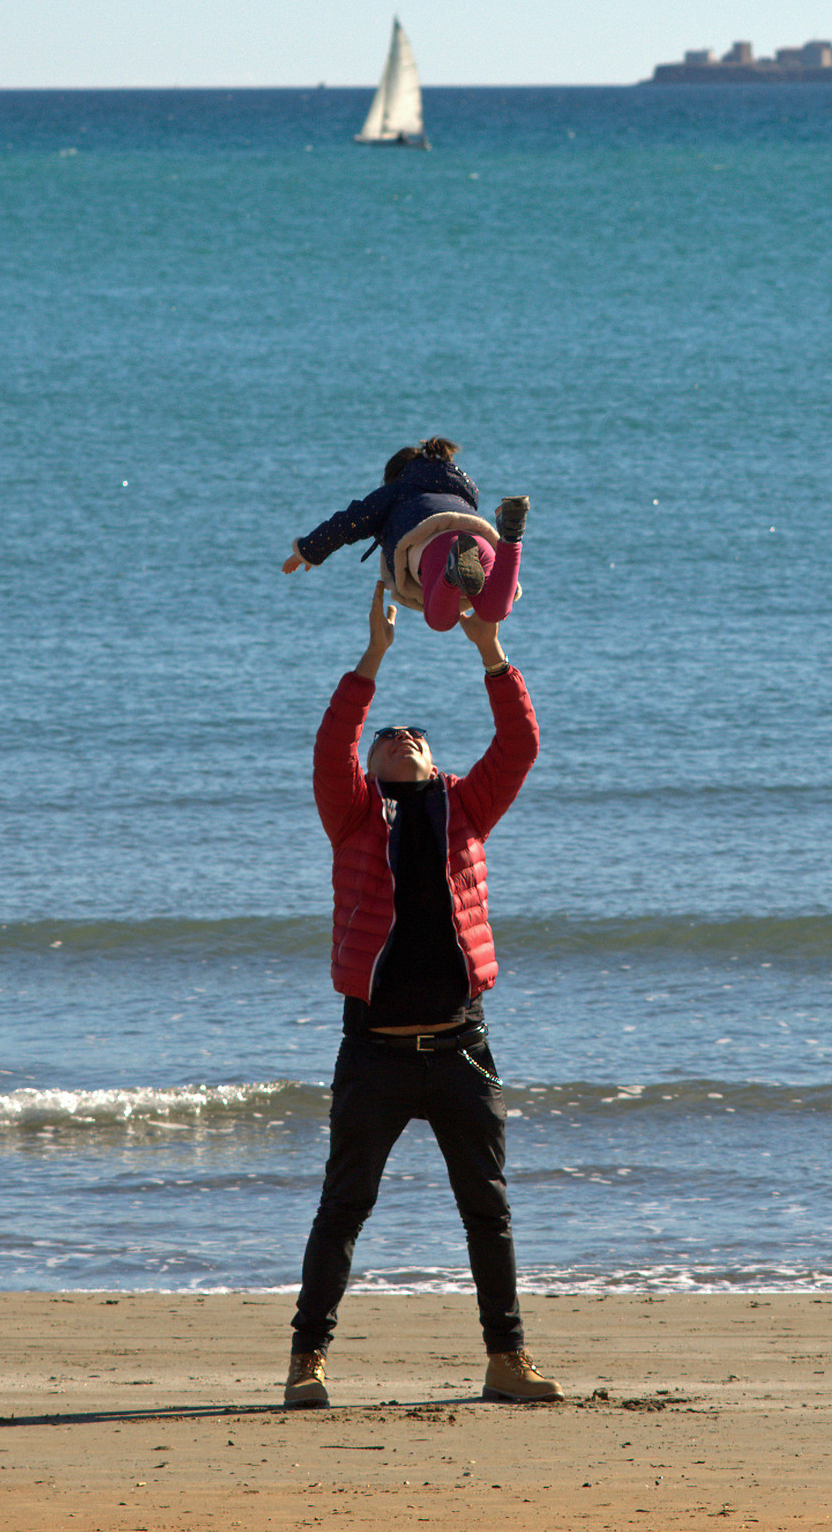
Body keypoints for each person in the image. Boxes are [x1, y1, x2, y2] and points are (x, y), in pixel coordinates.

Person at [284, 579, 562, 1409]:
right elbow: (333, 742)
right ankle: (307, 1362)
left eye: (416, 735)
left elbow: (519, 743)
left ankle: (506, 1361)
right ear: (371, 763)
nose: (400, 735)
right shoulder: (353, 817)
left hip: (459, 1047)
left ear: (435, 762)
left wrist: (489, 648)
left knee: (489, 1211)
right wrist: (375, 653)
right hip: (373, 1051)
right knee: (343, 1208)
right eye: (389, 735)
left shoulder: (465, 810)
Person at [282, 436, 528, 635]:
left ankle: (453, 573)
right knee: (495, 610)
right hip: (478, 540)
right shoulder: (460, 493)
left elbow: (350, 521)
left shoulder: (397, 491)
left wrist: (309, 550)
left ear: (395, 475)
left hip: (435, 549)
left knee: (440, 621)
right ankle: (511, 535)